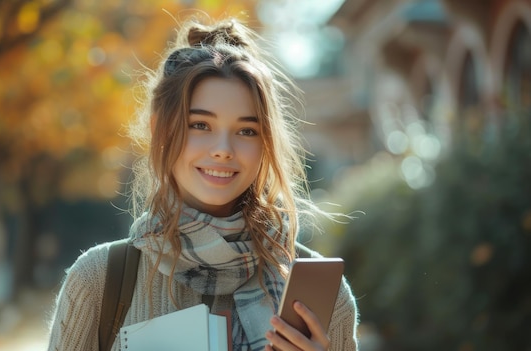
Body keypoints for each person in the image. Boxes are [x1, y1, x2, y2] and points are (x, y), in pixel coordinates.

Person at [47, 15, 359, 351]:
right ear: (160, 131)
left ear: (266, 143)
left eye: (246, 131)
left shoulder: (320, 297)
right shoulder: (99, 280)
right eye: (200, 125)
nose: (223, 150)